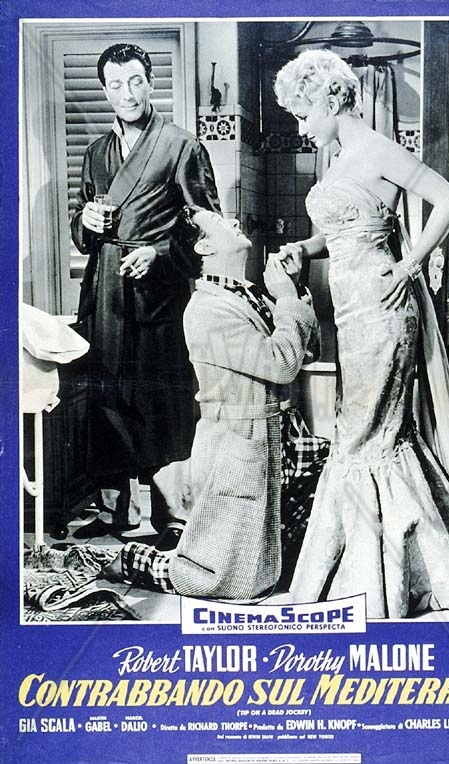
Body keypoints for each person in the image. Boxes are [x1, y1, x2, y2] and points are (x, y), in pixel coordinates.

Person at [273, 49, 449, 618]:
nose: (302, 127)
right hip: (350, 315)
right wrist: (303, 248)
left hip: (384, 313)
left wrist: (410, 265)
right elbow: (346, 231)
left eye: (303, 114)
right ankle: (385, 567)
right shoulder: (338, 158)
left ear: (331, 99)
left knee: (367, 438)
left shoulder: (379, 149)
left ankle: (374, 579)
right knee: (367, 434)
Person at [100, 208, 323, 599]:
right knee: (226, 579)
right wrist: (288, 299)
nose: (234, 222)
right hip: (238, 445)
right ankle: (133, 561)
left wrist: (295, 289)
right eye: (220, 223)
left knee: (337, 478)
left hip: (279, 437)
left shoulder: (249, 294)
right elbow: (282, 364)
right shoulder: (207, 310)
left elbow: (308, 351)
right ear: (204, 247)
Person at [70, 44, 220, 549]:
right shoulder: (96, 153)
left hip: (160, 295)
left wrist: (160, 253)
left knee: (162, 402)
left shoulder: (181, 146)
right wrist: (86, 222)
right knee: (108, 398)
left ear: (151, 82)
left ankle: (172, 515)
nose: (127, 94)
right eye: (115, 84)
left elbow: (208, 229)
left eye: (135, 81)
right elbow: (81, 229)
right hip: (106, 292)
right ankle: (115, 512)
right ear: (105, 90)